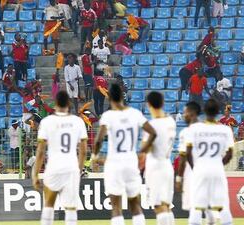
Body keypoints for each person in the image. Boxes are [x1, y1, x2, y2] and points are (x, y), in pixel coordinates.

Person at [92, 83, 157, 225]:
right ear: (122, 96)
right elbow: (152, 132)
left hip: (114, 163)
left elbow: (98, 140)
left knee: (116, 206)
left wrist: (95, 157)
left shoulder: (108, 116)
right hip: (131, 161)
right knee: (135, 205)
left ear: (109, 98)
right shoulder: (135, 114)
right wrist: (142, 152)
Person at [33, 90, 88, 225]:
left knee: (48, 206)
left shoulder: (47, 122)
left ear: (56, 103)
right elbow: (83, 151)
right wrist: (79, 169)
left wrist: (35, 175)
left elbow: (40, 152)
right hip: (71, 168)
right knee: (70, 209)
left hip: (53, 167)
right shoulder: (77, 121)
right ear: (69, 103)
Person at [182, 99, 234, 225]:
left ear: (204, 111)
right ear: (218, 112)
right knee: (222, 206)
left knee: (197, 206)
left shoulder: (195, 128)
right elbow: (230, 154)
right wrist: (218, 164)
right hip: (217, 169)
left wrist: (195, 168)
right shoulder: (225, 130)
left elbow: (188, 153)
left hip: (200, 168)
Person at [142, 91, 176, 225]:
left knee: (158, 206)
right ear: (162, 103)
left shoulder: (151, 125)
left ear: (148, 104)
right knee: (166, 205)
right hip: (167, 165)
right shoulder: (170, 121)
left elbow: (147, 147)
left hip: (155, 166)